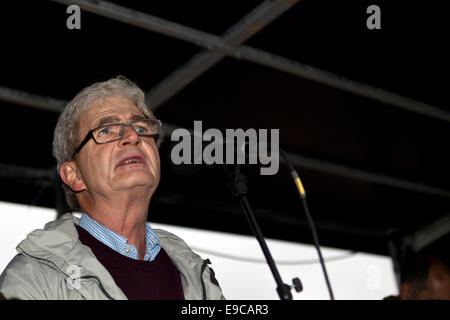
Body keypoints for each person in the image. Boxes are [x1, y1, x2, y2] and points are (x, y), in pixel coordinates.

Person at [0, 76, 224, 300]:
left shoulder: (196, 276)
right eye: (106, 130)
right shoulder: (34, 279)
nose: (133, 136)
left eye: (141, 127)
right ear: (74, 175)